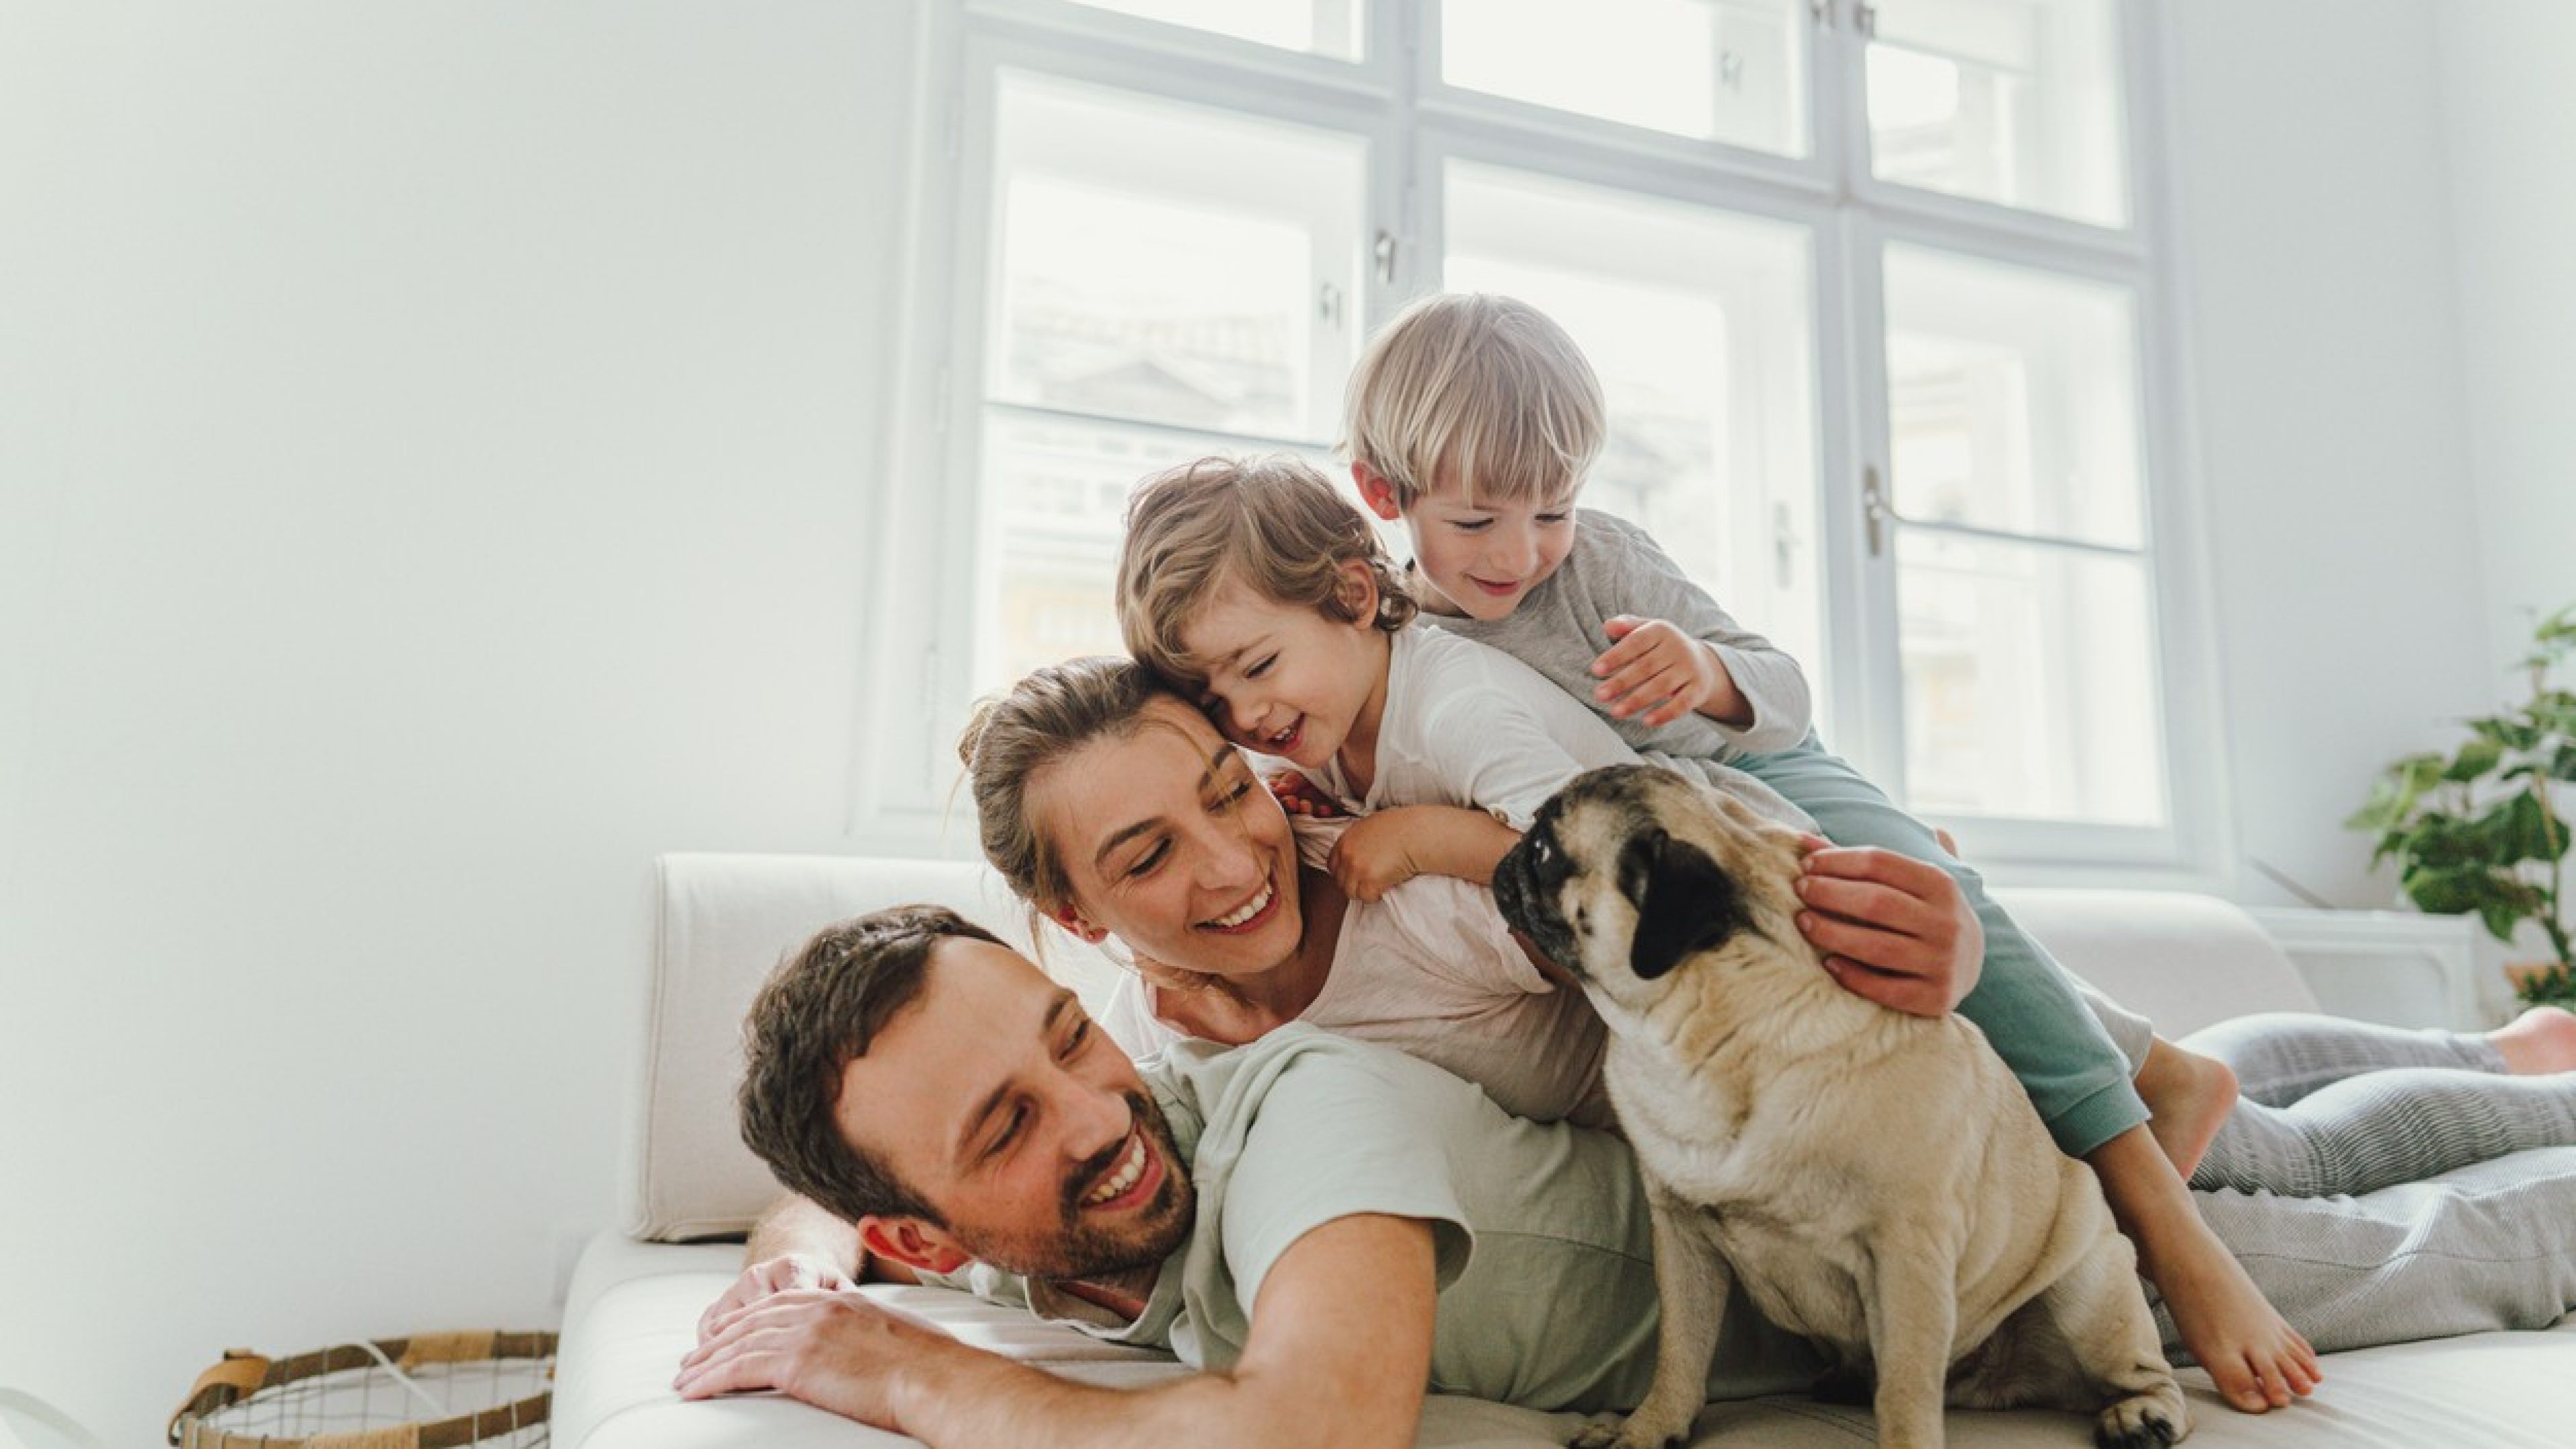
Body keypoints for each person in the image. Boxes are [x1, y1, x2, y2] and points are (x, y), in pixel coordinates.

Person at [677, 903, 2576, 1449]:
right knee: (2289, 1115)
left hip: (1944, 1241)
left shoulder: (1292, 1118)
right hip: (1864, 1186)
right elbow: (830, 1213)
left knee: (2432, 1243)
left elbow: (1316, 1432)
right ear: (926, 1224)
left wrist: (907, 1369)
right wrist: (811, 1258)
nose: (1095, 1112)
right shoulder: (1025, 1240)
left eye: (1069, 1038)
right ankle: (2499, 1051)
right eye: (1005, 1126)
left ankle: (2505, 1090)